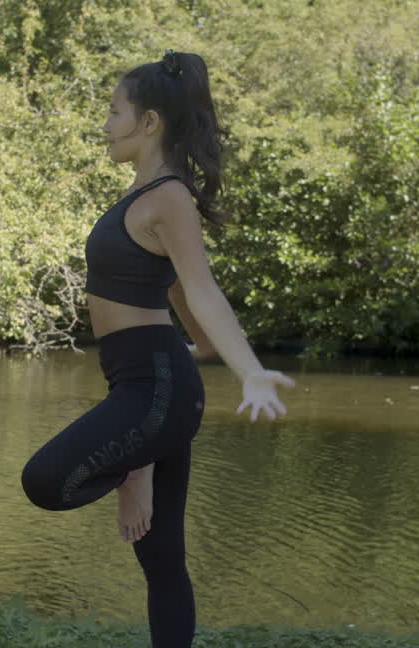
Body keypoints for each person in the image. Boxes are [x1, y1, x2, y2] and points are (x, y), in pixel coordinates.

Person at [20, 50, 296, 647]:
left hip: (155, 389)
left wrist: (247, 370)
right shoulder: (142, 196)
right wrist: (196, 344)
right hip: (150, 384)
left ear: (149, 123)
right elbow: (170, 285)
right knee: (162, 559)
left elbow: (202, 286)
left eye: (115, 112)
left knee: (45, 480)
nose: (105, 124)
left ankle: (134, 465)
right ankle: (138, 463)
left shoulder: (170, 196)